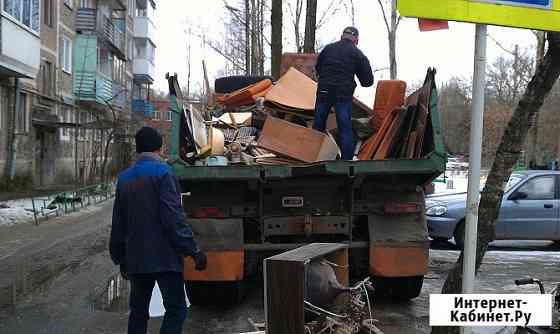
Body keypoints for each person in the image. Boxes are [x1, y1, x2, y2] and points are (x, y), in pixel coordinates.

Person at [110, 126, 207, 334]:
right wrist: (193, 250)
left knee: (138, 312)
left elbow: (118, 222)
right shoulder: (164, 173)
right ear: (159, 148)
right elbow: (173, 219)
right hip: (166, 259)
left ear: (138, 149)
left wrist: (120, 257)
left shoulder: (125, 178)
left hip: (136, 258)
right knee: (176, 309)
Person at [313, 26, 374, 160]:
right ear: (356, 40)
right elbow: (368, 81)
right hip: (343, 93)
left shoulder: (328, 49)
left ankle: (313, 158)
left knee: (318, 125)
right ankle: (347, 163)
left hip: (324, 90)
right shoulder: (357, 54)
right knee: (345, 128)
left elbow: (317, 69)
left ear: (342, 36)